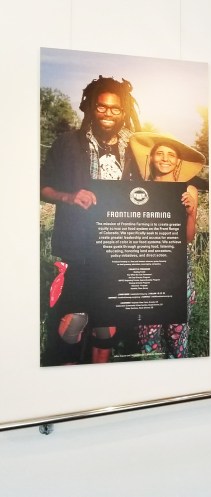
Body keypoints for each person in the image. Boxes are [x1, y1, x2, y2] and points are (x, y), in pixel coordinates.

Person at [40, 76, 141, 365]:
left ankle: (100, 382)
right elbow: (42, 186)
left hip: (118, 249)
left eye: (115, 109)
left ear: (123, 111)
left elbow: (152, 187)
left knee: (106, 326)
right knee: (73, 322)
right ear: (90, 107)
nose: (108, 113)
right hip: (78, 248)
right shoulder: (68, 143)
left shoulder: (136, 149)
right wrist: (69, 196)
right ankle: (68, 382)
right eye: (102, 107)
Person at [129, 132, 205, 358]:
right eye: (159, 153)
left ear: (178, 161)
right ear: (151, 158)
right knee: (147, 328)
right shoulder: (139, 190)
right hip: (146, 266)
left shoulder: (189, 191)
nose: (165, 158)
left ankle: (179, 368)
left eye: (171, 154)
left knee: (177, 328)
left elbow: (188, 238)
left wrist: (190, 213)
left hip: (176, 267)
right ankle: (150, 368)